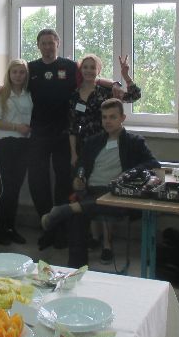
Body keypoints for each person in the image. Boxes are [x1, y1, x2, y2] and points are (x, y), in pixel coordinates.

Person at [41, 98, 159, 268]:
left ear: (122, 118)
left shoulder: (134, 142)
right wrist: (79, 178)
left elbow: (153, 164)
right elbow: (81, 167)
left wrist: (129, 173)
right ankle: (76, 269)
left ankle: (65, 209)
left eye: (113, 117)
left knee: (88, 206)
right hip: (90, 192)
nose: (107, 121)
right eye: (104, 117)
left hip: (116, 193)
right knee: (77, 217)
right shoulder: (93, 142)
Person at [69, 53, 141, 263]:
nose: (89, 71)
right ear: (81, 70)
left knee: (104, 193)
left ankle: (107, 244)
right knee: (87, 192)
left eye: (93, 67)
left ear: (98, 70)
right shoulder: (74, 95)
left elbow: (134, 96)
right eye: (85, 67)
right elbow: (72, 126)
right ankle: (94, 237)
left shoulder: (107, 91)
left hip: (106, 148)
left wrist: (125, 76)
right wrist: (73, 153)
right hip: (84, 149)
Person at [26, 29, 78, 250]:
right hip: (38, 132)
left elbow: (91, 78)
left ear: (58, 43)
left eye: (51, 42)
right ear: (38, 45)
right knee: (37, 181)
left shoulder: (70, 67)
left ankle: (61, 229)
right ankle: (47, 228)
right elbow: (12, 82)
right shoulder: (31, 68)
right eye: (43, 43)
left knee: (63, 181)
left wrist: (114, 83)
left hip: (63, 132)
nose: (47, 46)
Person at [0, 59, 32, 246]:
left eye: (22, 72)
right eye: (15, 72)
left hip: (24, 145)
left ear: (26, 75)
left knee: (15, 189)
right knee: (6, 188)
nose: (18, 76)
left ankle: (11, 228)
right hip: (3, 144)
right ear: (9, 74)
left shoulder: (30, 94)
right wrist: (16, 127)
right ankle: (1, 229)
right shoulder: (1, 94)